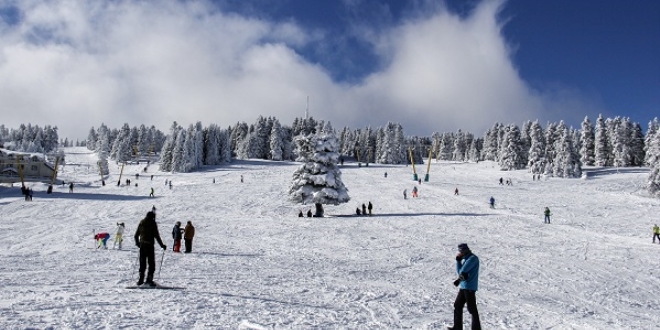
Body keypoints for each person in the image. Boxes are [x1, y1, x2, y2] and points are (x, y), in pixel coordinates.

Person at [448, 243, 482, 330]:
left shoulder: (472, 259)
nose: (460, 253)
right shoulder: (467, 259)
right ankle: (457, 327)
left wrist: (459, 261)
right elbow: (460, 272)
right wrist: (458, 261)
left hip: (469, 287)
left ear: (465, 251)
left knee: (472, 309)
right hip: (464, 286)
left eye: (461, 252)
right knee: (458, 305)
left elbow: (462, 271)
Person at [134, 211, 166, 286]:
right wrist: (162, 245)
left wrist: (138, 244)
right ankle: (149, 280)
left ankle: (140, 280)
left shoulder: (141, 222)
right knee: (151, 264)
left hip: (142, 245)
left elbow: (136, 235)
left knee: (142, 263)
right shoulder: (152, 223)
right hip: (149, 245)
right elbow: (156, 235)